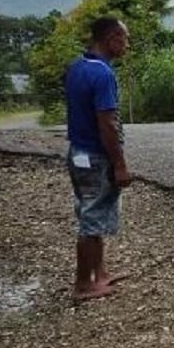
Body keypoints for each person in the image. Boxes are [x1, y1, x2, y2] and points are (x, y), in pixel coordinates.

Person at [64, 16, 132, 301]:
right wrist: (119, 163)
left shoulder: (77, 67)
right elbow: (107, 122)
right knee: (92, 219)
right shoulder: (103, 75)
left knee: (91, 210)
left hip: (78, 152)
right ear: (112, 38)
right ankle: (84, 284)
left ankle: (99, 273)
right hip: (95, 156)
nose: (127, 45)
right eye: (125, 39)